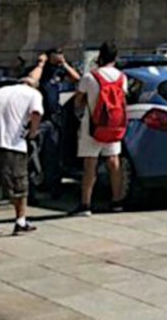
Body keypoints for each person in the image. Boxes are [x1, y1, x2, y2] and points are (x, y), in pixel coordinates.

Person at [0, 75, 43, 237]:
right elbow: (36, 113)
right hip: (14, 145)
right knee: (19, 184)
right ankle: (20, 221)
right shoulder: (33, 94)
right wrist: (32, 133)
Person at [72, 42, 126, 215]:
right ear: (115, 58)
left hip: (92, 126)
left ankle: (86, 204)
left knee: (90, 165)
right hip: (114, 125)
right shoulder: (121, 77)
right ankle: (117, 201)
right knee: (114, 162)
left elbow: (78, 101)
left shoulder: (90, 77)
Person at [34, 49, 80, 195]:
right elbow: (31, 81)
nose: (59, 55)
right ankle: (36, 184)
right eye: (56, 53)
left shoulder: (59, 71)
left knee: (53, 153)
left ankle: (53, 184)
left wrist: (64, 63)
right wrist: (41, 64)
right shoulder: (42, 70)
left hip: (54, 119)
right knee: (36, 154)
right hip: (40, 117)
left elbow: (77, 79)